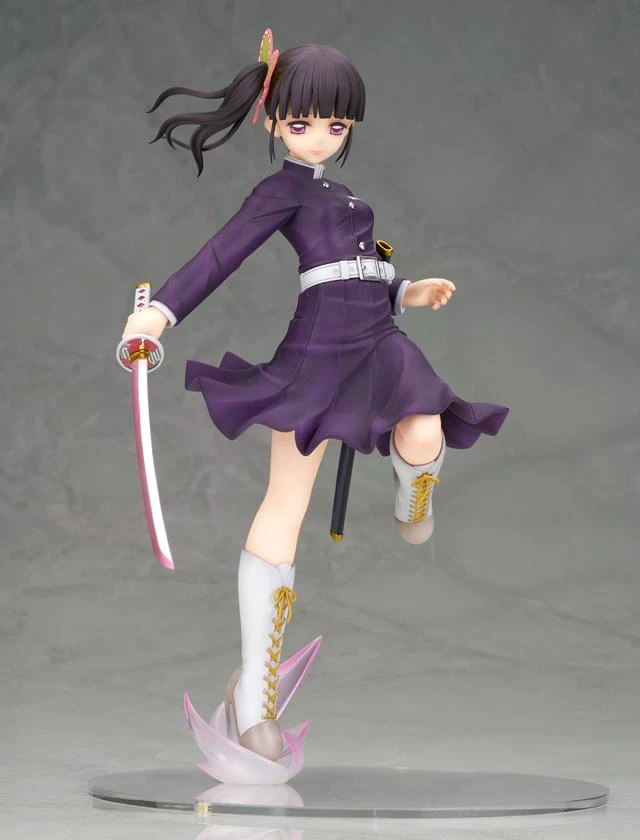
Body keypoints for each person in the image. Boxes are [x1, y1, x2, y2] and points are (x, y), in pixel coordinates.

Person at [121, 32, 509, 763]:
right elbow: (221, 254)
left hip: (379, 339)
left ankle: (413, 499)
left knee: (426, 429)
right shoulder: (281, 192)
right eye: (302, 123)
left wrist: (406, 288)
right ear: (274, 121)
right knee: (286, 503)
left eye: (335, 123)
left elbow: (362, 265)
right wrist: (160, 312)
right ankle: (254, 692)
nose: (321, 136)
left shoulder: (344, 195)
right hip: (319, 349)